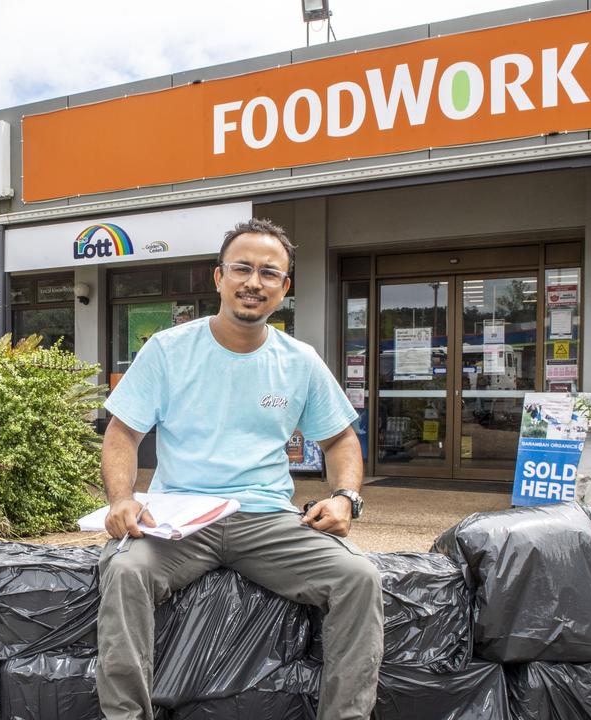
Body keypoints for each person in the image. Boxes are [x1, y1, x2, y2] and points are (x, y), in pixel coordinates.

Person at [96, 218, 383, 720]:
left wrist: (344, 497)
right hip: (179, 518)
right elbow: (123, 434)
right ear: (219, 278)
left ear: (284, 288)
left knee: (359, 576)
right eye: (242, 268)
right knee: (124, 572)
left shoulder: (300, 361)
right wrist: (121, 499)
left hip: (267, 518)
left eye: (269, 273)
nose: (254, 282)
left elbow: (339, 438)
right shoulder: (168, 350)